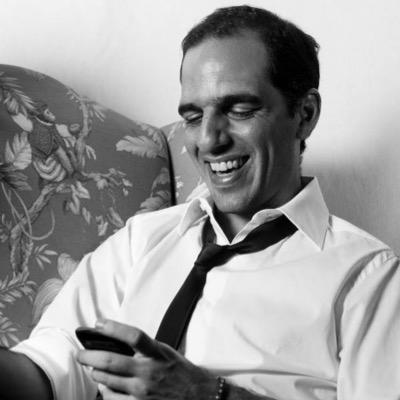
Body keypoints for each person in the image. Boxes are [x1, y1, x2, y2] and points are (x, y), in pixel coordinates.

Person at [2, 5, 400, 400]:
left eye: (240, 110)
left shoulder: (368, 278)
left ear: (305, 114)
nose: (209, 140)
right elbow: (46, 370)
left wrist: (208, 394)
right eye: (193, 117)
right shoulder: (140, 242)